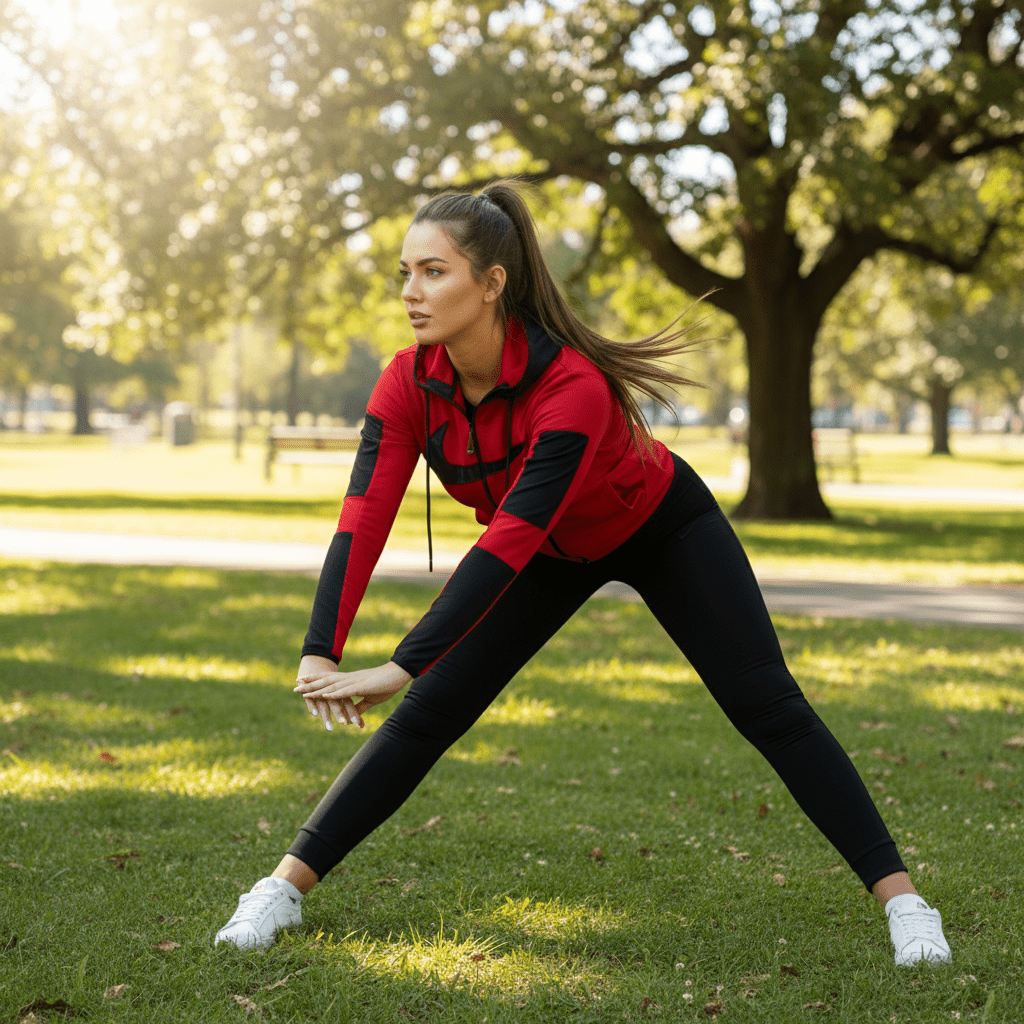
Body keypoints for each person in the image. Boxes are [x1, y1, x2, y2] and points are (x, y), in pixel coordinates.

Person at [214, 182, 951, 967]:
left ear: (491, 283)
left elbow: (508, 537)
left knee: (768, 706)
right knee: (430, 713)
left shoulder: (571, 386)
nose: (410, 293)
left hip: (660, 528)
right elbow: (364, 514)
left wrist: (400, 661)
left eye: (433, 272)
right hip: (549, 552)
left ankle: (907, 905)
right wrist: (318, 647)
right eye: (404, 272)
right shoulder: (407, 382)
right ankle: (281, 890)